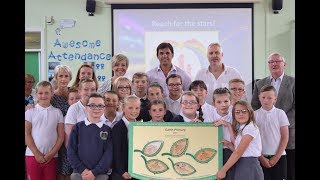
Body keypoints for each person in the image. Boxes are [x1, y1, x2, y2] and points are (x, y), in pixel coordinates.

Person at [251, 52, 295, 180]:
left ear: (284, 64)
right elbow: (254, 104)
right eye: (271, 62)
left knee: (289, 172)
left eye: (277, 61)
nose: (274, 64)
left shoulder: (293, 82)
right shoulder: (260, 83)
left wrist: (280, 121)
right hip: (264, 138)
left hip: (288, 134)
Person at [67, 92, 113, 180]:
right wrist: (83, 170)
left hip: (100, 174)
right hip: (79, 173)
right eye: (92, 105)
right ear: (86, 108)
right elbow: (71, 151)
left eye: (100, 106)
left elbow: (108, 155)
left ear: (104, 108)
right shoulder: (77, 127)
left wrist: (94, 172)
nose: (96, 109)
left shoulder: (107, 130)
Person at [25, 81, 64, 180]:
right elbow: (26, 133)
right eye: (40, 93)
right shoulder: (30, 111)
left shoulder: (57, 112)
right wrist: (37, 153)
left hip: (51, 157)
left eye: (47, 93)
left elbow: (61, 137)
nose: (43, 96)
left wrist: (51, 154)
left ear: (52, 93)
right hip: (32, 155)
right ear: (36, 94)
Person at [216, 100, 263, 180]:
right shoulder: (243, 127)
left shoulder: (250, 128)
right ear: (234, 115)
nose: (240, 114)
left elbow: (238, 153)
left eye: (244, 111)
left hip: (249, 166)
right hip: (242, 165)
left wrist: (223, 170)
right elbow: (239, 150)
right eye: (237, 112)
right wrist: (228, 143)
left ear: (250, 113)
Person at [255, 85, 289, 180]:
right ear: (259, 98)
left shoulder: (280, 113)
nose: (266, 100)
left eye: (270, 98)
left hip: (279, 156)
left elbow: (285, 137)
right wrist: (261, 157)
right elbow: (252, 140)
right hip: (260, 158)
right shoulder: (254, 115)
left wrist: (276, 157)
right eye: (263, 97)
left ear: (275, 99)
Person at [50, 65, 73, 180]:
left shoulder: (73, 95)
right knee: (58, 170)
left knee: (69, 170)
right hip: (56, 139)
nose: (63, 79)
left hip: (71, 138)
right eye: (60, 76)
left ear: (70, 78)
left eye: (66, 76)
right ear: (56, 77)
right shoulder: (51, 97)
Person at [111, 95, 141, 179]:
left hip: (138, 168)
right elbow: (116, 152)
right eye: (130, 108)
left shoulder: (141, 126)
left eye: (137, 108)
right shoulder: (117, 128)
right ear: (123, 108)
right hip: (123, 169)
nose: (134, 111)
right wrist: (122, 171)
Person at [65, 78, 97, 147]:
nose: (89, 92)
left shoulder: (101, 107)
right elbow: (71, 136)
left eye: (93, 89)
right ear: (79, 91)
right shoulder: (73, 109)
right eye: (86, 89)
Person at [211, 87, 235, 180]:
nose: (223, 105)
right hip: (214, 152)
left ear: (230, 101)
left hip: (230, 151)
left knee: (230, 176)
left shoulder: (235, 117)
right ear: (213, 104)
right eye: (219, 102)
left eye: (226, 101)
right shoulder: (209, 117)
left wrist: (228, 125)